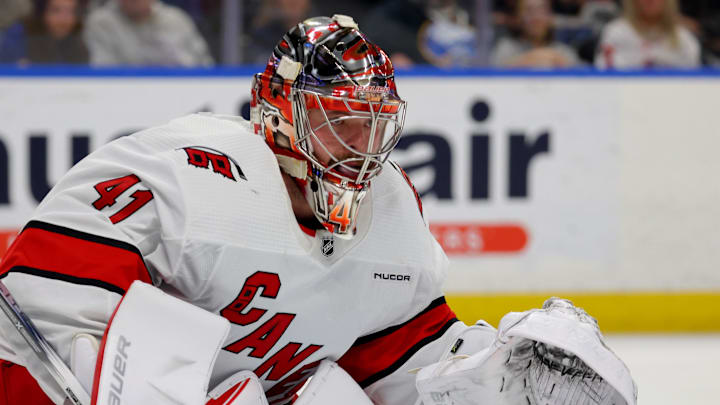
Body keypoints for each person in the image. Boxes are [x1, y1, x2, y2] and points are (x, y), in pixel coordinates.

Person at [0, 15, 635, 405]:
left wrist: (478, 381)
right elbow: (41, 318)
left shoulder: (392, 211)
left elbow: (396, 354)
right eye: (339, 125)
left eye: (373, 127)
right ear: (278, 117)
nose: (362, 149)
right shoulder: (183, 169)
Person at [84, 0, 213, 66]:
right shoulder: (101, 22)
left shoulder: (176, 20)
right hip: (122, 99)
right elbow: (103, 71)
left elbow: (205, 65)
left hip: (180, 95)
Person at [595, 0, 701, 68]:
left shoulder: (683, 38)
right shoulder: (615, 32)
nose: (650, 1)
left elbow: (692, 78)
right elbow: (604, 71)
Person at [491, 0, 581, 68]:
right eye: (529, 11)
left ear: (551, 16)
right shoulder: (506, 48)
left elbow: (585, 77)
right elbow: (493, 75)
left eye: (541, 10)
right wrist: (535, 57)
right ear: (518, 17)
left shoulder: (563, 51)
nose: (536, 17)